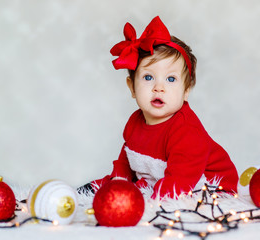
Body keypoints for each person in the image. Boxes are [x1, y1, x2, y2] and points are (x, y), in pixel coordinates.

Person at [79, 16, 238, 198]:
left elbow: (179, 183)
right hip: (159, 180)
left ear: (186, 91)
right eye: (148, 77)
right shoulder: (135, 121)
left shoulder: (187, 131)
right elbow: (127, 159)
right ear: (132, 87)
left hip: (206, 189)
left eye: (171, 79)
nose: (159, 87)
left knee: (180, 201)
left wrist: (150, 205)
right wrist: (117, 183)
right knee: (118, 188)